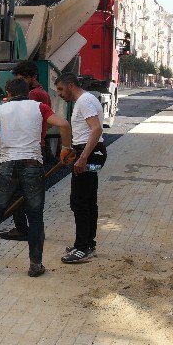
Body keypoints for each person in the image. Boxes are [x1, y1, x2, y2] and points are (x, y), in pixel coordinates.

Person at [0, 77, 73, 277]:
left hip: (7, 166)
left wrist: (4, 146)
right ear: (27, 92)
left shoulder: (1, 108)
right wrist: (66, 148)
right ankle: (35, 265)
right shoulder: (39, 106)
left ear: (8, 93)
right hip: (32, 165)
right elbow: (63, 124)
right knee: (35, 216)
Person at [55, 73, 107, 264]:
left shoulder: (84, 101)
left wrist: (83, 157)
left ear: (70, 85)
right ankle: (87, 244)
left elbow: (96, 129)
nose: (59, 94)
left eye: (60, 89)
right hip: (92, 153)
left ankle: (82, 247)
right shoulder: (87, 99)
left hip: (91, 154)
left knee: (80, 201)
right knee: (88, 200)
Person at [2, 60, 53, 241]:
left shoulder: (35, 95)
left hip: (28, 150)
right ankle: (31, 229)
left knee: (19, 192)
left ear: (33, 77)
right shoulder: (40, 93)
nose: (21, 82)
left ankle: (23, 229)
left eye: (23, 79)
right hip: (34, 148)